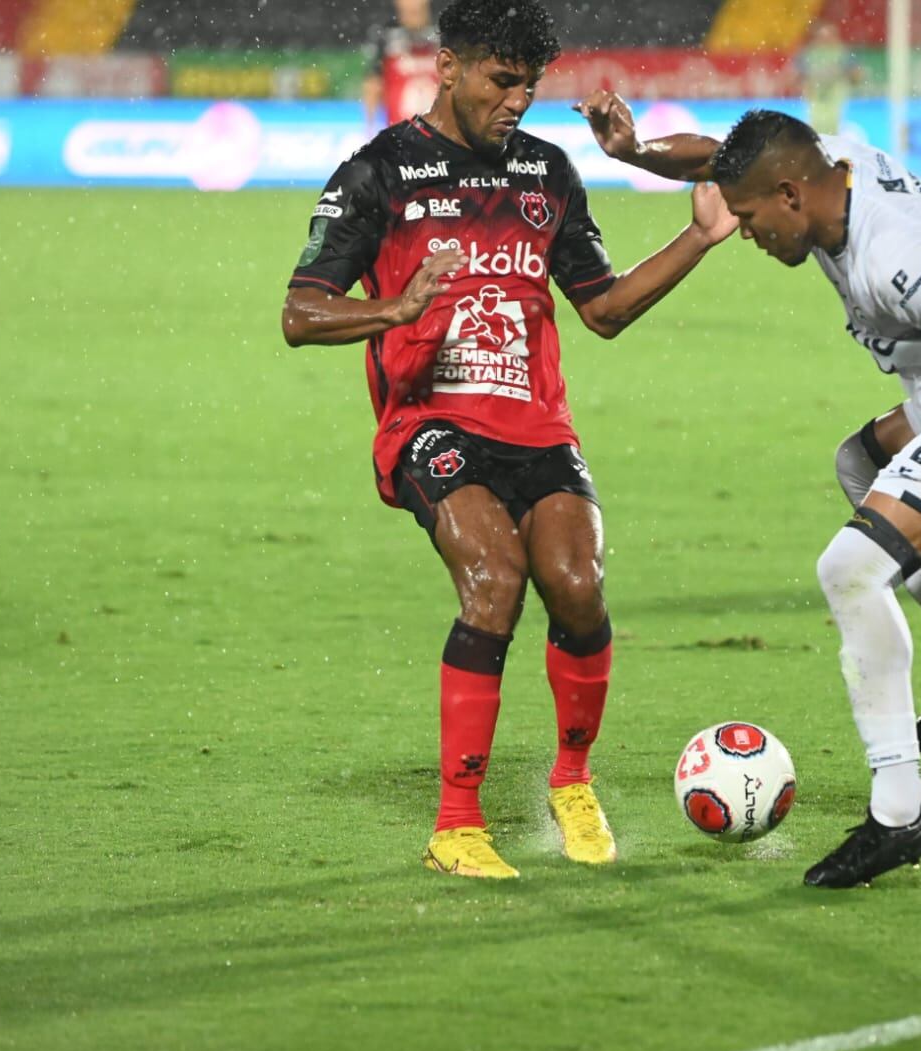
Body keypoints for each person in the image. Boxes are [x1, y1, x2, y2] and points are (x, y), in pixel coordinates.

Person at [577, 99, 921, 887]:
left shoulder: (902, 257)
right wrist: (634, 152)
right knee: (858, 465)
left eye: (753, 221)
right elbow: (717, 161)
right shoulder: (824, 163)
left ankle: (902, 815)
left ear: (792, 195)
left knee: (851, 569)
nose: (748, 236)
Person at [283, 0, 735, 879]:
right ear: (448, 67)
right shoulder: (380, 172)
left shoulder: (548, 172)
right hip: (430, 422)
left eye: (529, 84)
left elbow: (601, 308)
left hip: (536, 423)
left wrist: (699, 237)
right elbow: (301, 314)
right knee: (494, 581)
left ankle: (572, 781)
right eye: (501, 80)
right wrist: (395, 308)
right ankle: (457, 824)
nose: (517, 100)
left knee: (577, 585)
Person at [361, 0, 442, 132]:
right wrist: (369, 128)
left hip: (440, 136)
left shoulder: (444, 34)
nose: (412, 3)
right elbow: (373, 85)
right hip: (401, 136)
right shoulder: (386, 36)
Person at [796, 20, 862, 136]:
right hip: (815, 102)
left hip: (835, 102)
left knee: (834, 130)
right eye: (822, 37)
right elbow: (794, 75)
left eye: (828, 36)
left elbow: (857, 75)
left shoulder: (842, 53)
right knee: (815, 130)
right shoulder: (809, 54)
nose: (825, 40)